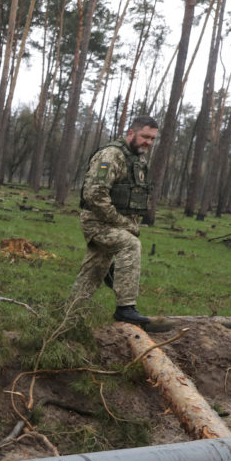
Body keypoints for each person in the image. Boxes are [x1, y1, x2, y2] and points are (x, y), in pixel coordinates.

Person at [66, 115, 160, 326]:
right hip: (97, 222)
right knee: (130, 244)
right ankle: (125, 308)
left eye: (153, 139)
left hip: (112, 223)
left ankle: (69, 318)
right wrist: (124, 224)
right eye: (145, 136)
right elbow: (95, 196)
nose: (149, 142)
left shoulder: (137, 159)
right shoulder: (110, 155)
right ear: (130, 133)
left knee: (93, 272)